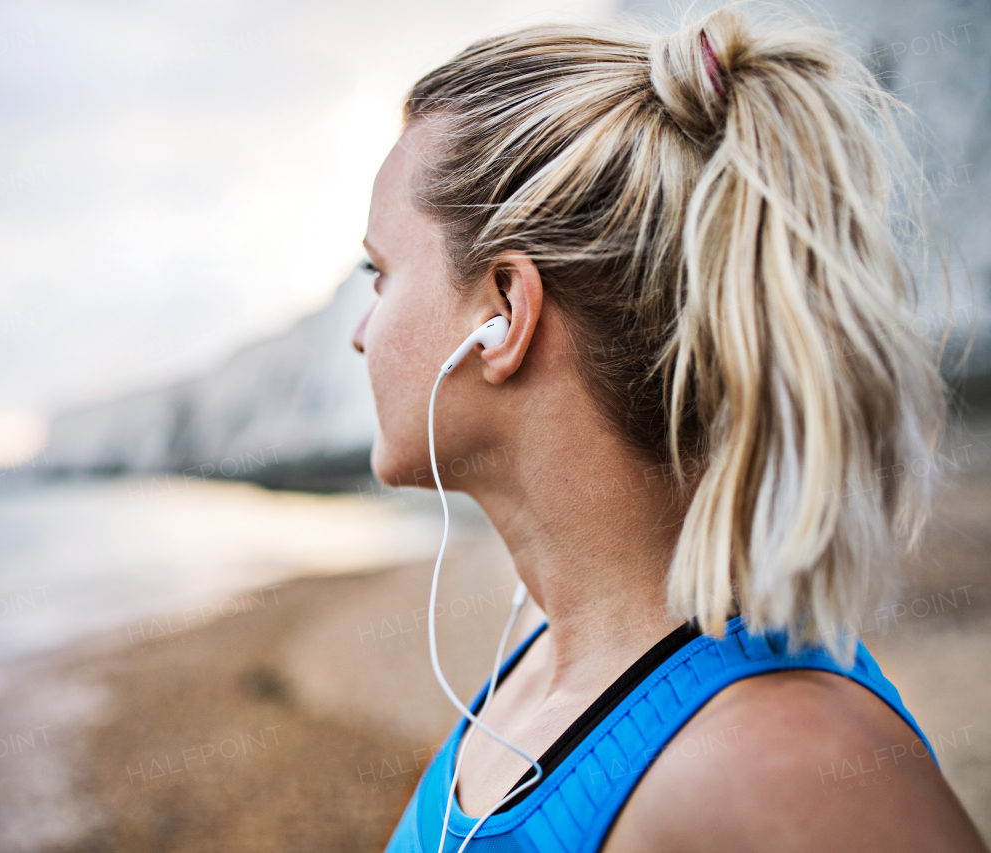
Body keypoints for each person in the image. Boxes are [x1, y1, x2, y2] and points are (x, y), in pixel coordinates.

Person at [350, 4, 987, 852]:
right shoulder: (538, 667)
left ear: (503, 310)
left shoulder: (784, 764)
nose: (363, 331)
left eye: (380, 274)